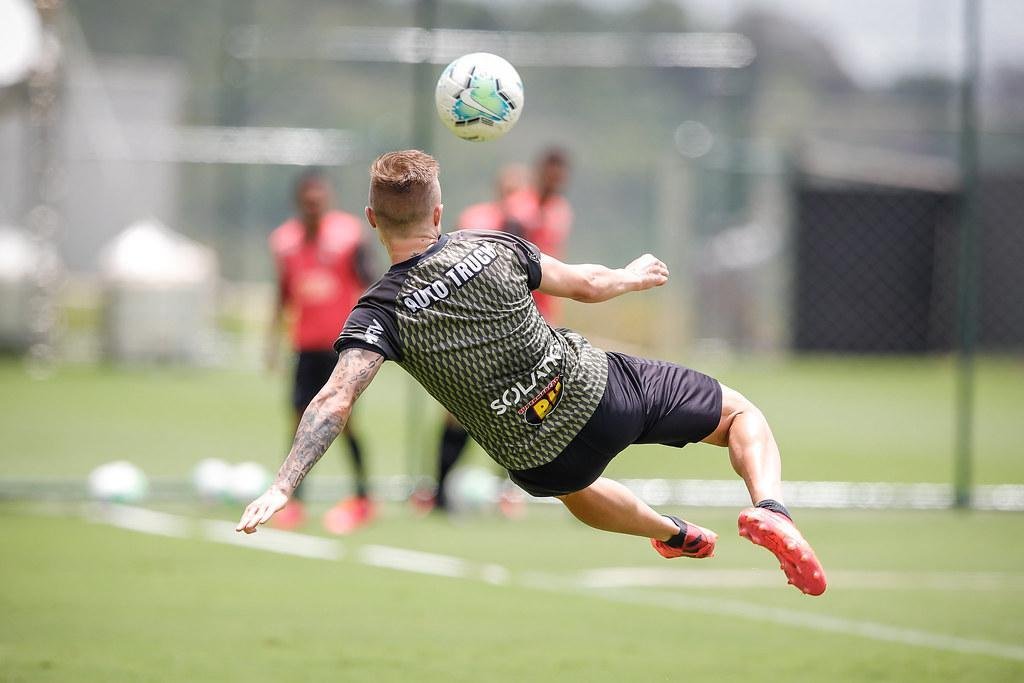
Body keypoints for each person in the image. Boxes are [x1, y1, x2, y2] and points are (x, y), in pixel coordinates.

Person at [239, 151, 827, 596]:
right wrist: (630, 275)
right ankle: (771, 509)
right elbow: (587, 285)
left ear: (370, 218)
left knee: (576, 488)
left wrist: (284, 484)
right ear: (438, 212)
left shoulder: (379, 312)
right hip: (600, 393)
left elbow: (334, 400)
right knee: (741, 414)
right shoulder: (491, 246)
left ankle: (673, 533)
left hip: (537, 456)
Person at [266, 169, 377, 534]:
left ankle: (363, 497)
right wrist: (272, 340)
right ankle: (294, 501)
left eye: (319, 199)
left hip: (340, 347)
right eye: (308, 200)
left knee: (344, 422)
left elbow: (370, 282)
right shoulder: (284, 242)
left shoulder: (348, 236)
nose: (314, 206)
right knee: (300, 421)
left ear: (326, 200)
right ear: (300, 202)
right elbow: (282, 293)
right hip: (304, 347)